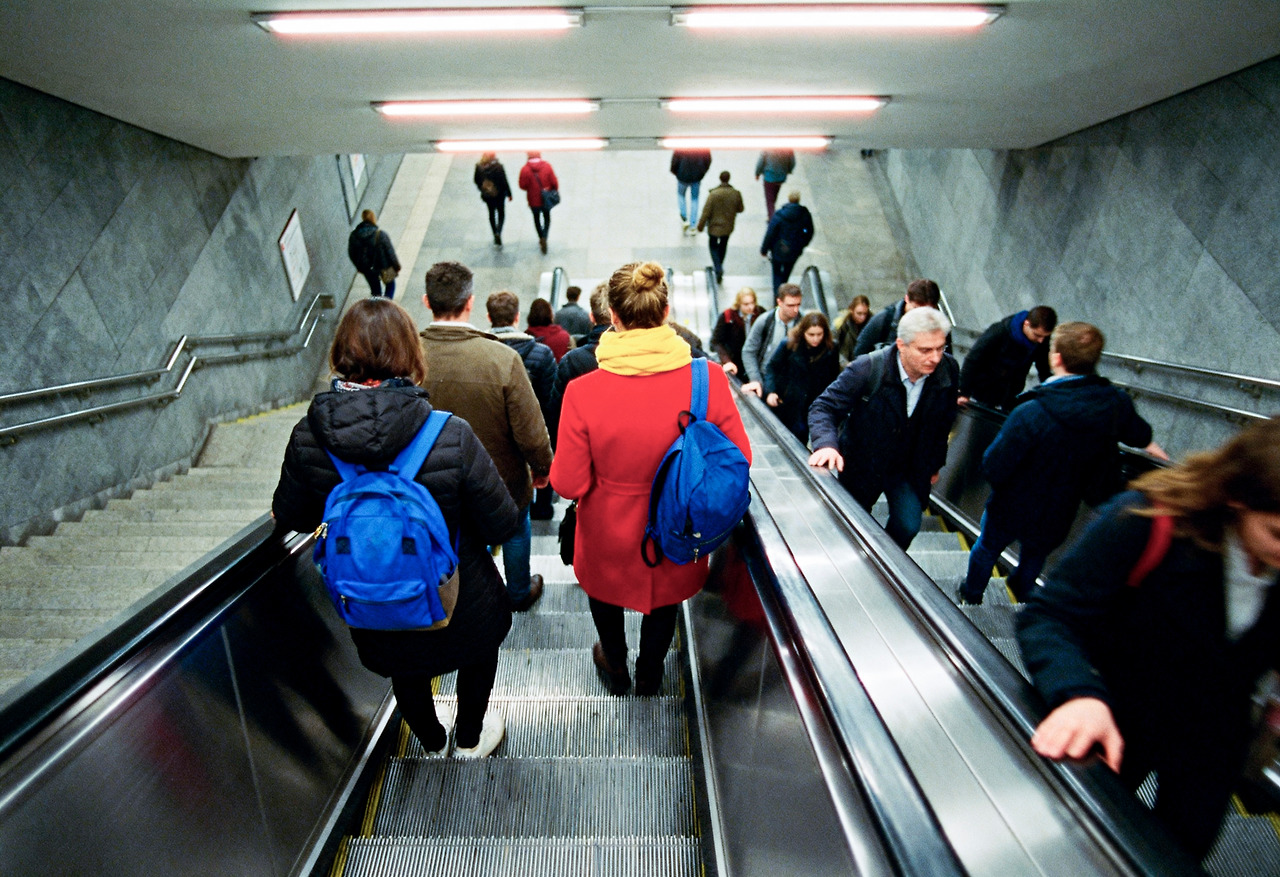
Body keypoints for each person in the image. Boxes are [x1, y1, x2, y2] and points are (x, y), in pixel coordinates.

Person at [1017, 416, 1280, 860]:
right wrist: (1079, 693)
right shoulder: (1144, 521)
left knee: (1178, 854)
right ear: (1236, 497)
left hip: (1213, 742)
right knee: (1077, 843)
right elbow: (1049, 615)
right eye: (1276, 533)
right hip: (1118, 719)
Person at [272, 298, 518, 759]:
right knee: (476, 660)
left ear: (340, 356)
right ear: (410, 355)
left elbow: (294, 517)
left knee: (405, 672)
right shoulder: (450, 433)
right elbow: (502, 522)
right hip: (462, 599)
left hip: (373, 603)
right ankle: (469, 739)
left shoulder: (308, 437)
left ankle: (432, 741)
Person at [551, 261, 751, 696]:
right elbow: (740, 459)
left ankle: (615, 664)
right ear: (665, 313)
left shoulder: (583, 392)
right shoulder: (707, 379)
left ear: (613, 317)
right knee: (664, 602)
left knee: (604, 596)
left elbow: (567, 483)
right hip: (677, 527)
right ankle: (649, 672)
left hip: (607, 531)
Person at [958, 322, 1167, 605]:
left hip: (1011, 505)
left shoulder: (1030, 411)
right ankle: (1021, 590)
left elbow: (993, 465)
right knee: (1035, 556)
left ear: (1056, 358)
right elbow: (1140, 435)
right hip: (1061, 509)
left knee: (987, 548)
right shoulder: (1114, 403)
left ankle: (971, 595)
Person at [419, 261, 553, 612]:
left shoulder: (408, 356)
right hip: (503, 481)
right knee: (516, 527)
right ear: (470, 302)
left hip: (432, 484)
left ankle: (458, 596)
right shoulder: (502, 358)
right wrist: (542, 468)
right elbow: (531, 434)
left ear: (427, 301)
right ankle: (519, 592)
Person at [808, 307, 959, 550]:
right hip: (863, 465)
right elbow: (824, 407)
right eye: (925, 350)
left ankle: (886, 561)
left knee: (908, 525)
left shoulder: (948, 369)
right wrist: (826, 444)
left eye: (940, 348)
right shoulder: (867, 368)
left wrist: (935, 463)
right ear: (901, 345)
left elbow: (944, 420)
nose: (935, 358)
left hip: (909, 468)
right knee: (852, 523)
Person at [487, 290, 557, 521]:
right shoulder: (542, 354)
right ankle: (542, 508)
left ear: (489, 317)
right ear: (517, 317)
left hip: (493, 438)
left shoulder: (479, 354)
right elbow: (549, 403)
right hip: (533, 435)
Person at [959, 306, 1058, 410]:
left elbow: (1043, 366)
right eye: (1037, 335)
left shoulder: (1041, 339)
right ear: (1026, 324)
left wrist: (1052, 388)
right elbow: (973, 360)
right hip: (985, 388)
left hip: (1011, 392)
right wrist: (963, 392)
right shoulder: (999, 332)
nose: (1041, 340)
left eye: (1044, 337)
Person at [764, 312, 840, 444]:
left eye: (819, 334)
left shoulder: (831, 348)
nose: (815, 339)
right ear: (803, 332)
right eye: (811, 334)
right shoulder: (789, 344)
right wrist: (771, 391)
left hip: (815, 401)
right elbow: (772, 367)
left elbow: (833, 376)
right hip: (790, 401)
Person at [549, 283, 611, 445]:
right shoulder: (634, 354)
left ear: (592, 317)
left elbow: (556, 415)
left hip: (580, 444)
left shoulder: (571, 361)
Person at [853, 278, 944, 357]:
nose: (920, 315)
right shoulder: (884, 319)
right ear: (907, 299)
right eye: (915, 308)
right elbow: (860, 352)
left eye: (927, 311)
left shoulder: (940, 325)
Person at [740, 284, 803, 395]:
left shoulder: (803, 323)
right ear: (779, 302)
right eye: (790, 305)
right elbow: (748, 351)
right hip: (765, 378)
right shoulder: (765, 321)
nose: (795, 309)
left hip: (791, 382)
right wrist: (755, 379)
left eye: (798, 305)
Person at [760, 191, 814, 294]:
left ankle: (777, 294)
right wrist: (802, 244)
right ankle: (784, 289)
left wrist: (764, 249)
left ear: (789, 199)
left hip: (778, 249)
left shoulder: (779, 215)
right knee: (786, 272)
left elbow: (770, 233)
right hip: (794, 250)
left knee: (776, 272)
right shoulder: (805, 215)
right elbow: (810, 232)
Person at [697, 170, 745, 284]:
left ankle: (718, 267)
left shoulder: (714, 194)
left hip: (714, 226)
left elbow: (706, 212)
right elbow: (741, 209)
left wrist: (700, 226)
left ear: (720, 178)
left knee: (713, 246)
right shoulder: (735, 193)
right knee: (723, 245)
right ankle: (719, 265)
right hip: (728, 226)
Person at [347, 209, 401, 299]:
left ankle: (377, 304)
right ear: (373, 218)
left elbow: (351, 253)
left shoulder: (354, 236)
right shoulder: (380, 234)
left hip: (367, 268)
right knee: (390, 285)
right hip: (384, 265)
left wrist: (359, 267)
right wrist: (396, 266)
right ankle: (386, 303)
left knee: (375, 290)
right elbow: (390, 252)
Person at [710, 287, 764, 377]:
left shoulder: (760, 313)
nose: (750, 307)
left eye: (752, 303)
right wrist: (726, 361)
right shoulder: (727, 316)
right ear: (739, 304)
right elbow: (716, 341)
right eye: (746, 304)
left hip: (755, 360)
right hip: (735, 361)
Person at [518, 151, 558, 254]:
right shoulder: (547, 166)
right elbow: (554, 182)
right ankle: (545, 236)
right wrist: (551, 190)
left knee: (536, 219)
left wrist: (531, 188)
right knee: (547, 218)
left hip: (533, 200)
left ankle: (540, 237)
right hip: (546, 199)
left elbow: (522, 185)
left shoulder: (525, 169)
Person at [473, 152, 513, 247]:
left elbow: (476, 180)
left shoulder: (479, 167)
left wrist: (482, 188)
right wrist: (509, 193)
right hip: (499, 194)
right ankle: (499, 231)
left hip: (488, 195)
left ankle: (494, 232)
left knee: (491, 213)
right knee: (501, 213)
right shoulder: (498, 166)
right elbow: (504, 180)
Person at [670, 149, 712, 234]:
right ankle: (693, 225)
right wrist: (702, 172)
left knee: (681, 196)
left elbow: (675, 161)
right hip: (696, 178)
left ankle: (684, 218)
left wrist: (675, 172)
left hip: (682, 176)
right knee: (694, 199)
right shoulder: (703, 147)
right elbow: (708, 160)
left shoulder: (681, 146)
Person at [755, 149, 795, 221]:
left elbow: (761, 161)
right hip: (781, 177)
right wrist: (788, 170)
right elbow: (792, 162)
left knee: (769, 200)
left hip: (769, 177)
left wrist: (757, 173)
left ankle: (772, 218)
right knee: (774, 196)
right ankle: (771, 214)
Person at [833, 295, 871, 365]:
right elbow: (833, 348)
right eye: (859, 313)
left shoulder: (873, 323)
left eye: (865, 314)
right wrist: (845, 363)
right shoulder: (841, 324)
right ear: (851, 310)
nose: (862, 317)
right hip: (847, 363)